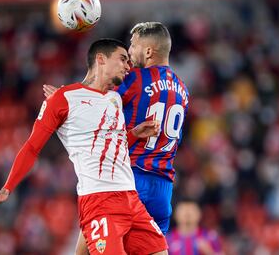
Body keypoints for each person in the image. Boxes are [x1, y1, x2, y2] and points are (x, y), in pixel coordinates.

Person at [0, 38, 168, 255]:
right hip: (100, 200)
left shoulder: (115, 99)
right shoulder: (64, 99)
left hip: (130, 196)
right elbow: (32, 147)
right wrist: (6, 189)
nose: (129, 66)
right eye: (123, 59)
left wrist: (134, 134)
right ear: (100, 59)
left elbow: (109, 143)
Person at [44, 22, 189, 254]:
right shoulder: (182, 89)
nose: (129, 54)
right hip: (163, 189)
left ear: (149, 51)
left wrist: (66, 100)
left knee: (88, 248)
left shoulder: (134, 79)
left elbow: (96, 101)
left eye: (133, 46)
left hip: (127, 181)